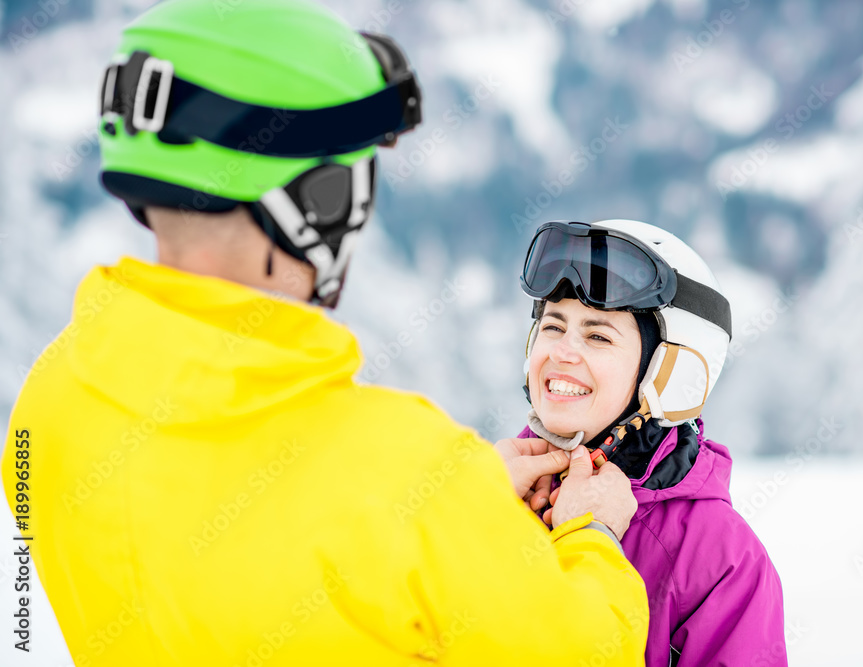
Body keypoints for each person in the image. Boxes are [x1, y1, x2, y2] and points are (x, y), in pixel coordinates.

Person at [0, 3, 649, 664]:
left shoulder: (50, 404)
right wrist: (588, 529)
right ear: (321, 201)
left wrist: (461, 505)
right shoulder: (406, 467)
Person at [516, 219, 787, 666]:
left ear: (667, 372)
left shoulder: (720, 560)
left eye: (598, 335)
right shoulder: (491, 489)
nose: (562, 352)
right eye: (553, 326)